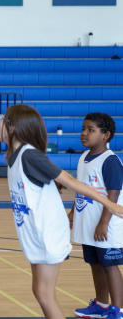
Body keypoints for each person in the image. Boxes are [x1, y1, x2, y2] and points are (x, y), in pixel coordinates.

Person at [0, 105, 123, 319]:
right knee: (40, 292)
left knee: (45, 295)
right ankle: (101, 305)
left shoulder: (29, 156)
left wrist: (110, 205)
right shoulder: (15, 156)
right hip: (35, 234)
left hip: (48, 235)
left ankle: (117, 309)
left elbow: (72, 182)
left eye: (3, 121)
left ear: (13, 128)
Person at [69, 113, 123, 319]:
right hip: (88, 223)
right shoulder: (84, 157)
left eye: (91, 130)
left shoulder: (110, 161)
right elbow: (82, 188)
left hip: (106, 226)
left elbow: (114, 195)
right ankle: (101, 305)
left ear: (105, 135)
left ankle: (119, 310)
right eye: (83, 129)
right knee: (95, 264)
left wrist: (103, 223)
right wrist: (73, 212)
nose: (84, 133)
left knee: (110, 266)